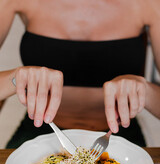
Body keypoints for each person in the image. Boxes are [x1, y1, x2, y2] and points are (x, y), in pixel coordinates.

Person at [0, 0, 160, 148]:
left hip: (116, 133)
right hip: (39, 127)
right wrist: (15, 79)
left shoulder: (150, 4)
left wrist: (145, 91)